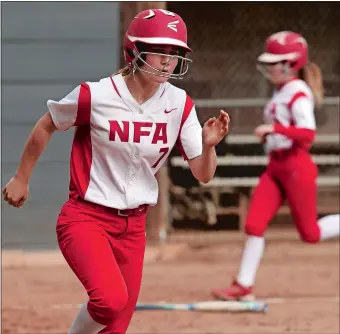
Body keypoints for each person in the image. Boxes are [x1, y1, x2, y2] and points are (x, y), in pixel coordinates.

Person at [2, 8, 230, 334]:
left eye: (175, 53)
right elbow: (46, 124)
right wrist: (22, 177)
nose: (168, 60)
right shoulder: (96, 95)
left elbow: (203, 174)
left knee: (116, 324)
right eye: (159, 50)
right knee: (110, 301)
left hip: (134, 227)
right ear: (134, 51)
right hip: (86, 217)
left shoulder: (180, 105)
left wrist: (208, 147)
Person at [211, 31, 339, 301]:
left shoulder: (298, 92)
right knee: (254, 224)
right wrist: (274, 132)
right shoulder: (282, 90)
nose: (270, 67)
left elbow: (308, 133)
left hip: (296, 166)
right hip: (276, 167)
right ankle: (243, 285)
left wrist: (274, 128)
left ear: (291, 63)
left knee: (310, 234)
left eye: (276, 61)